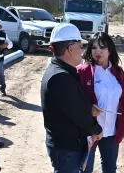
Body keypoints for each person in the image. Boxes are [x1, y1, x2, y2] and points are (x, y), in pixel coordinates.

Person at [40, 23, 103, 173]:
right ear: (70, 48)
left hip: (65, 146)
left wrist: (88, 109)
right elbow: (77, 114)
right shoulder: (60, 77)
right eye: (80, 46)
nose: (82, 50)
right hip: (66, 148)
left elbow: (70, 106)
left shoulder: (60, 71)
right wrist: (96, 129)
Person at [77, 32, 124, 173]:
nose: (98, 51)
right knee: (85, 169)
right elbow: (75, 101)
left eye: (102, 47)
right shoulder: (83, 71)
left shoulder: (118, 72)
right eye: (94, 48)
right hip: (89, 132)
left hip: (111, 132)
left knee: (110, 169)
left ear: (110, 50)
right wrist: (89, 109)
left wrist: (123, 123)